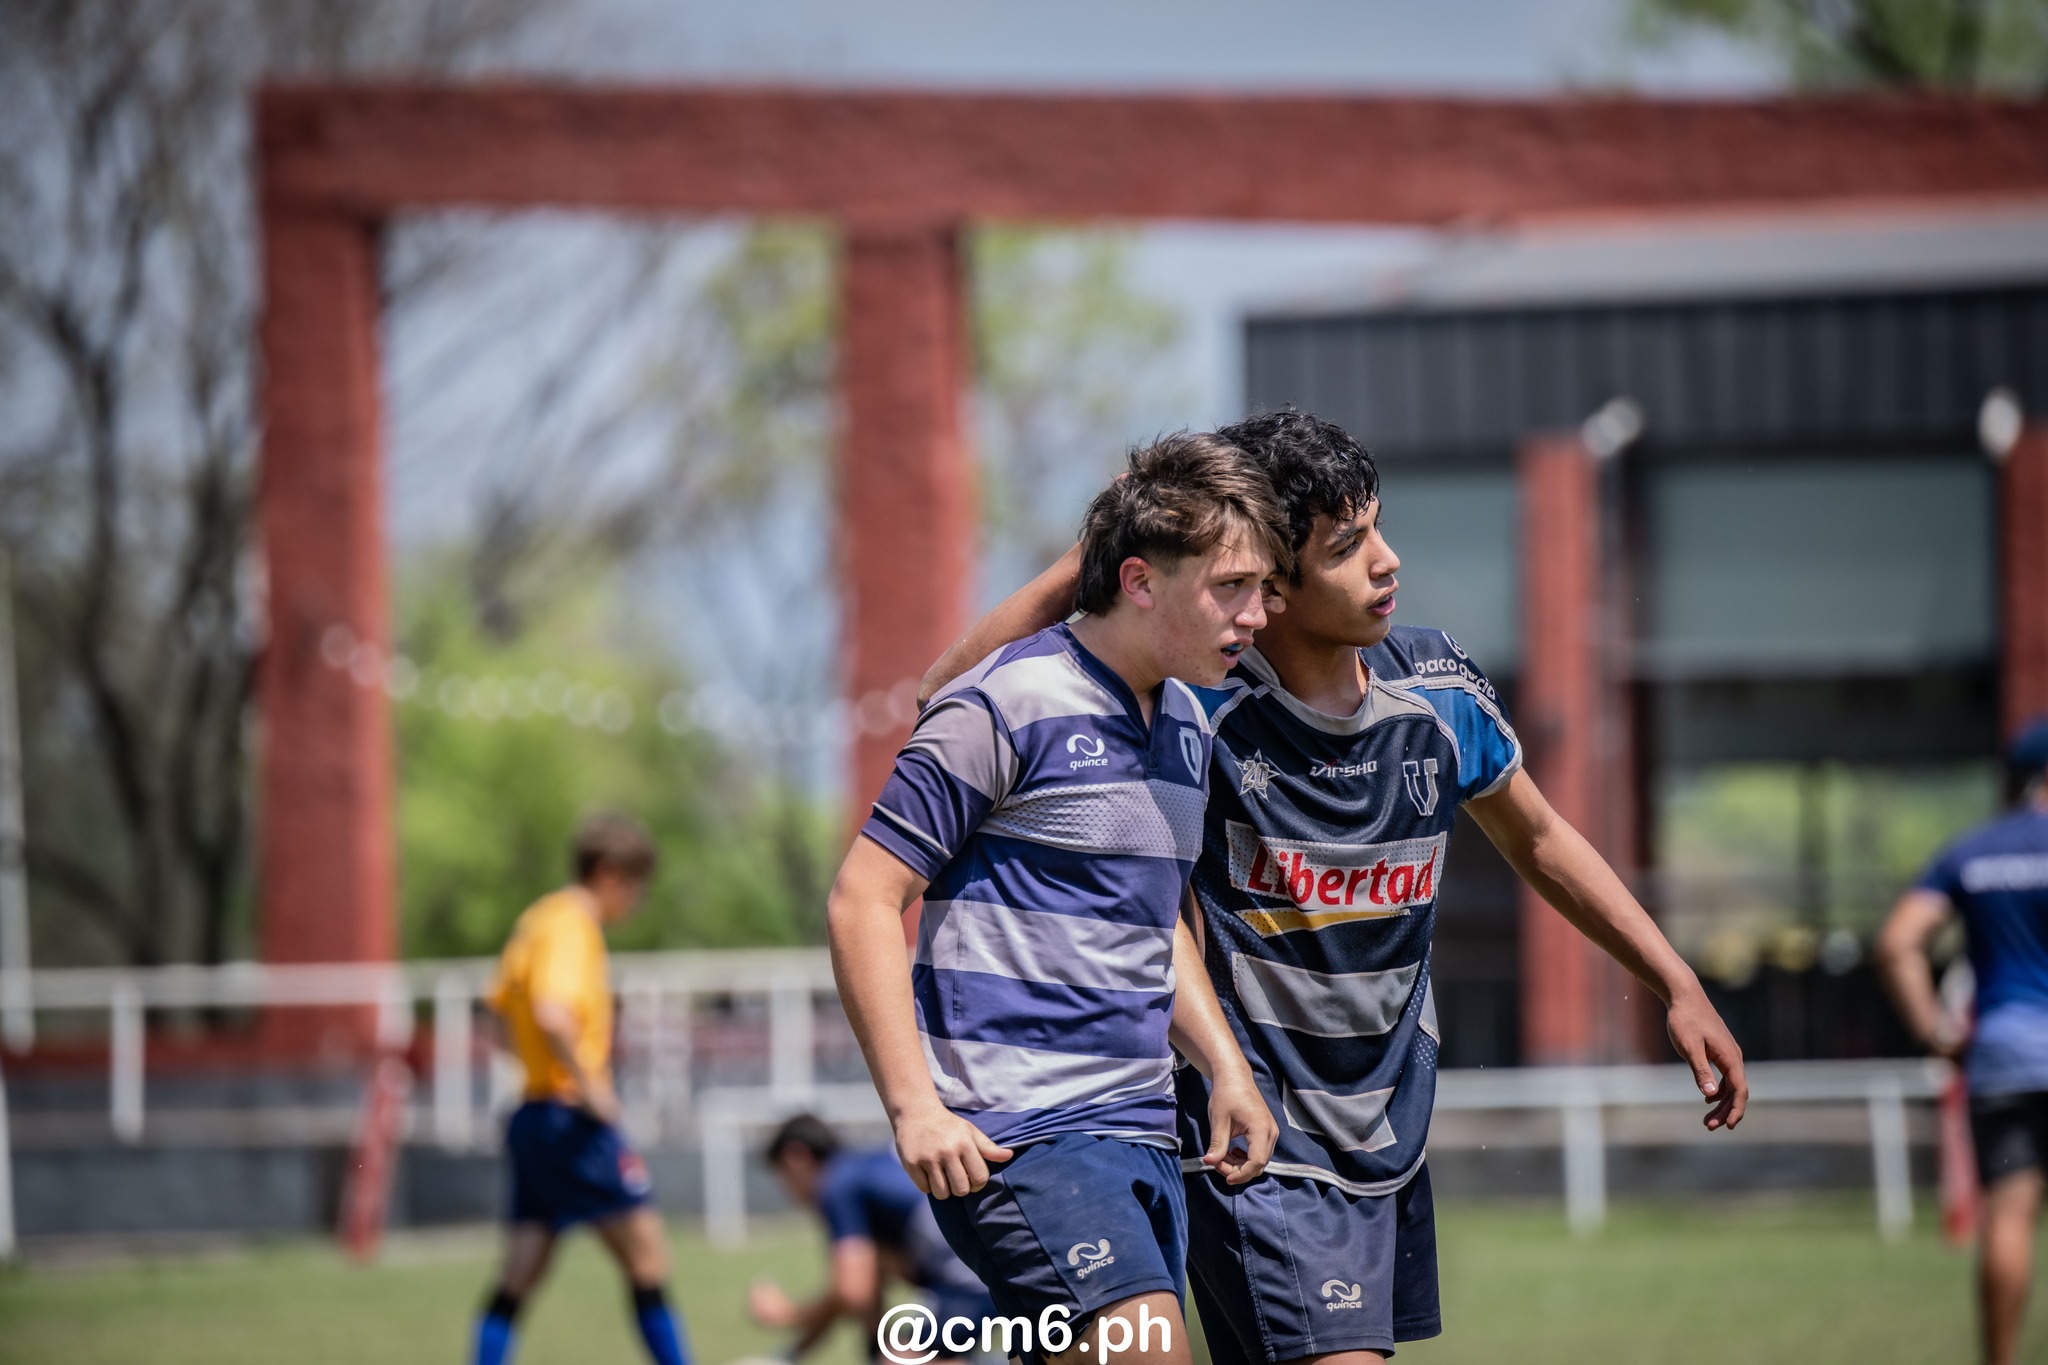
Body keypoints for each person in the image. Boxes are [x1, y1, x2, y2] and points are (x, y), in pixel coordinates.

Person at [921, 409, 1749, 1364]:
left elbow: (1542, 837)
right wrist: (1106, 550)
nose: (1387, 562)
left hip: (1386, 1129)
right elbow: (952, 695)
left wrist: (1675, 980)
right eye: (1347, 547)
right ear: (1270, 582)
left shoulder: (1438, 687)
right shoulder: (1195, 704)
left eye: (1378, 529)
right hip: (1252, 1132)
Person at [827, 432, 1287, 1365]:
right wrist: (914, 1109)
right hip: (1023, 1136)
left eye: (1264, 587)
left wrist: (1225, 1068)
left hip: (1144, 1131)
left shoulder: (1188, 725)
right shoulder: (1006, 702)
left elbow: (1154, 928)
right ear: (1139, 580)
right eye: (1231, 586)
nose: (1256, 614)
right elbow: (862, 899)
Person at [469, 814, 691, 1365]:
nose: (636, 901)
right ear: (610, 873)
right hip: (572, 1118)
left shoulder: (537, 919)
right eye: (636, 887)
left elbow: (496, 1015)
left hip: (532, 1115)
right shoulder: (572, 924)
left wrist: (537, 1065)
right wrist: (590, 1088)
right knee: (648, 1257)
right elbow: (552, 1012)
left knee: (521, 1269)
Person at [1878, 717, 2048, 1365]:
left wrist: (1935, 1033)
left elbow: (1897, 942)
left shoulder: (1973, 852)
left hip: (2004, 1053)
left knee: (2008, 1219)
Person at [752, 1114, 997, 1363]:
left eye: (783, 1177)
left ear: (796, 1156)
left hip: (973, 1283)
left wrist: (788, 1315)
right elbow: (857, 1293)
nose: (788, 1191)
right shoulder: (861, 1173)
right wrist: (790, 1355)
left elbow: (852, 1291)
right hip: (982, 1272)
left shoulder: (838, 1184)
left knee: (897, 1360)